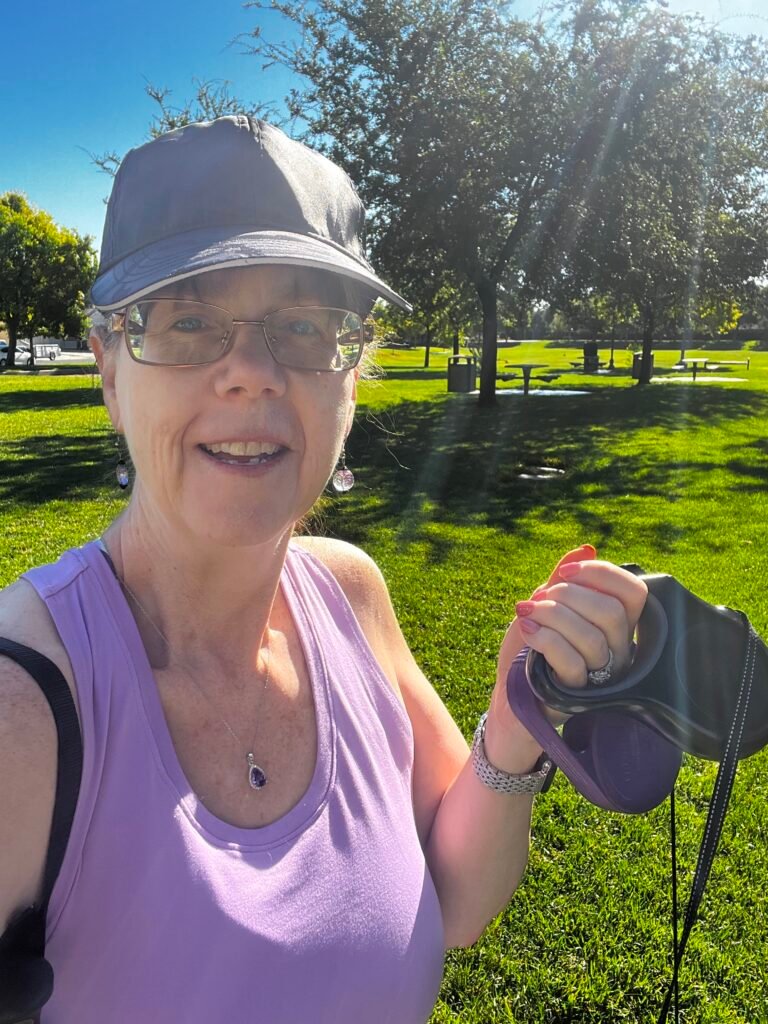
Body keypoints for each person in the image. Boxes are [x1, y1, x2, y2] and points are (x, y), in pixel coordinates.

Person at [0, 116, 647, 1023]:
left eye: (304, 326)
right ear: (109, 369)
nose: (252, 373)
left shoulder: (350, 592)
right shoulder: (24, 705)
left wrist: (515, 719)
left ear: (353, 375)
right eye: (188, 321)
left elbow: (456, 902)